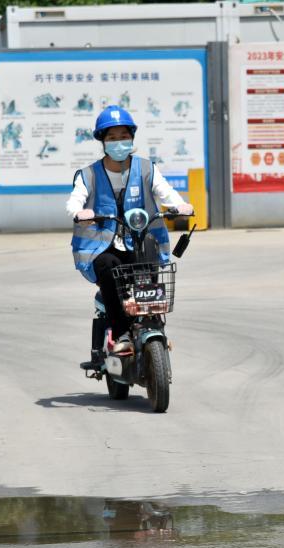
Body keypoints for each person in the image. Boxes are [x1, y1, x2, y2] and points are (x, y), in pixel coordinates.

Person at [68, 105, 192, 360]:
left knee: (148, 272)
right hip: (103, 247)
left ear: (132, 138)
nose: (118, 142)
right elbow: (74, 201)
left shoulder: (146, 168)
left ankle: (154, 326)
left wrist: (179, 205)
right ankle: (121, 333)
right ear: (102, 141)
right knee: (108, 267)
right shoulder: (88, 174)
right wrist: (80, 212)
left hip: (140, 240)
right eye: (111, 138)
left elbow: (165, 191)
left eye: (123, 136)